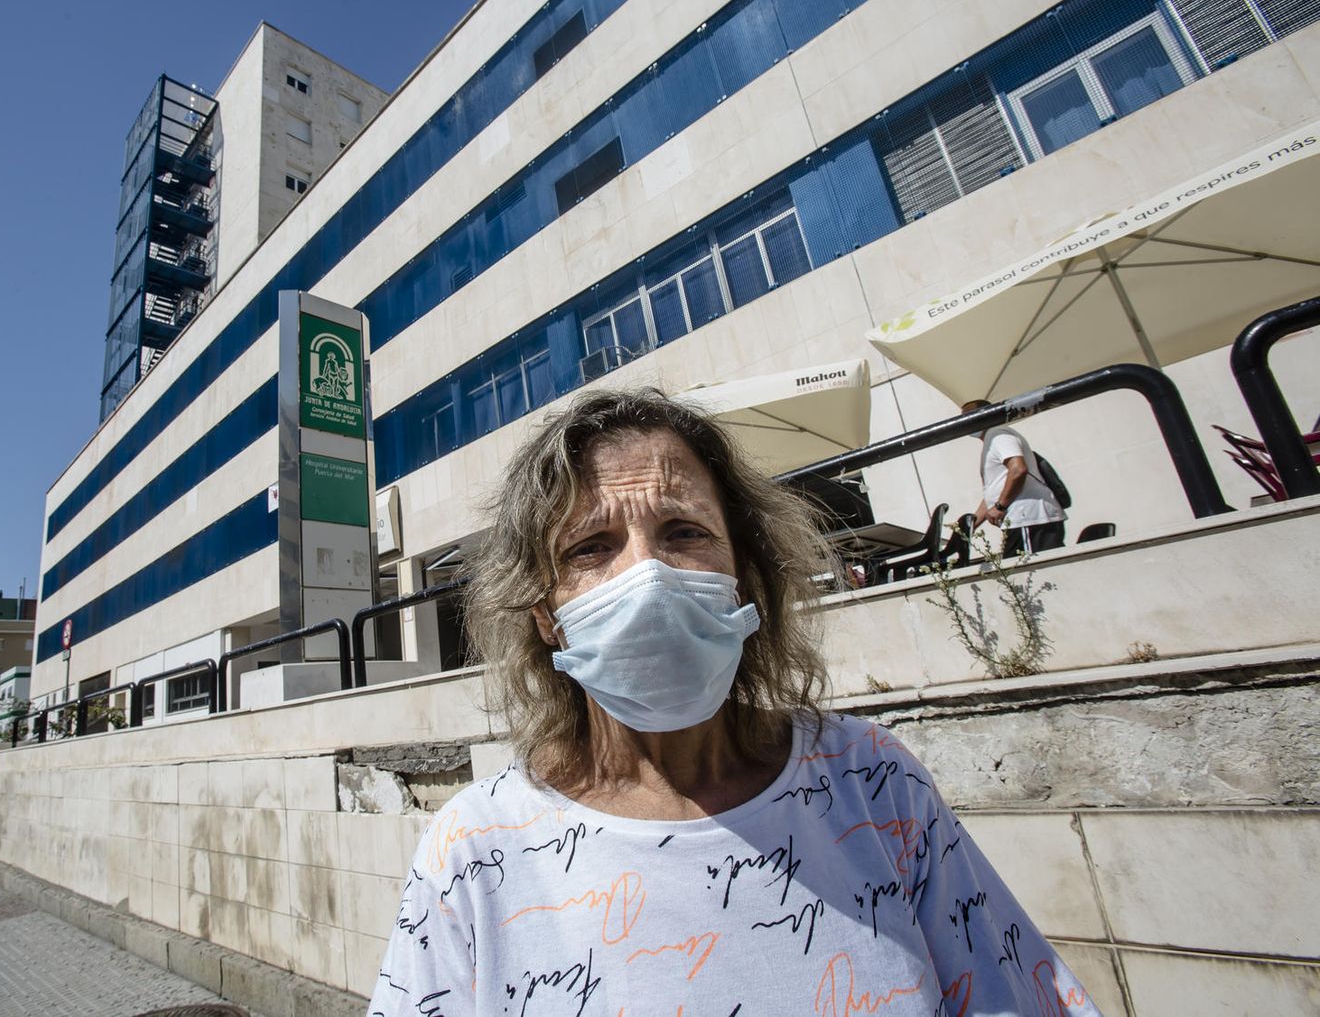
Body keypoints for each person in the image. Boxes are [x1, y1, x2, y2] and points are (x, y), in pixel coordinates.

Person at [370, 388, 1097, 1015]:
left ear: (744, 577)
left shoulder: (874, 784)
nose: (647, 574)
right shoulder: (473, 850)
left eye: (684, 532)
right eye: (590, 546)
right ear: (545, 615)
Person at [961, 399, 1066, 557]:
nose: (963, 423)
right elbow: (994, 492)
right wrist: (971, 525)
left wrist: (1000, 507)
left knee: (1029, 573)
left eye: (968, 417)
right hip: (1024, 520)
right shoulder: (992, 439)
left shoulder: (998, 435)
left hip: (1029, 518)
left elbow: (1018, 469)